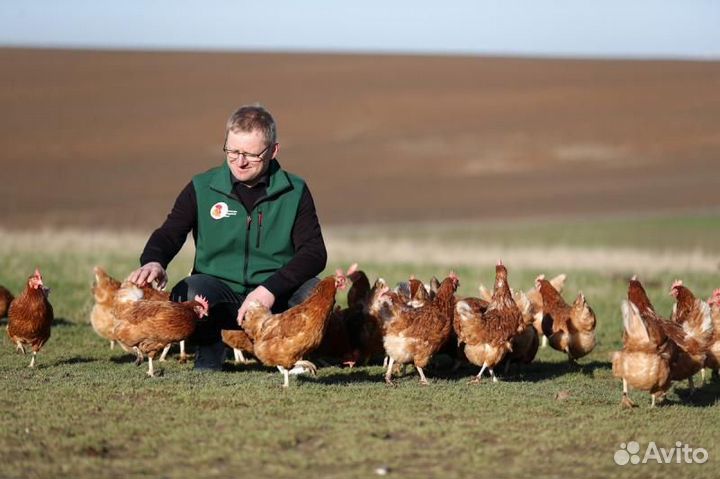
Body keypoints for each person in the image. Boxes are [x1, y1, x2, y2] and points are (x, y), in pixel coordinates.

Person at [128, 104, 327, 370]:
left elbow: (314, 253)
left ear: (273, 151)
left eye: (251, 154)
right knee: (188, 291)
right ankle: (210, 353)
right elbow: (170, 232)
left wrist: (268, 289)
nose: (240, 161)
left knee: (315, 293)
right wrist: (154, 260)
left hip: (275, 297)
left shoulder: (295, 191)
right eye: (232, 151)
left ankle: (292, 357)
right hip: (221, 296)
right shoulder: (203, 186)